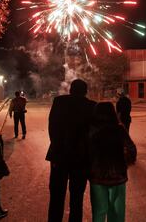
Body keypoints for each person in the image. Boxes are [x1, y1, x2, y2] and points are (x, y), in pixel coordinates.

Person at [46, 79, 97, 222]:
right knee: (76, 198)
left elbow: (52, 127)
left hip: (59, 156)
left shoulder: (59, 102)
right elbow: (93, 133)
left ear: (70, 90)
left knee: (56, 196)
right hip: (81, 158)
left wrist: (57, 146)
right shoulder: (92, 106)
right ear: (86, 91)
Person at [88, 102, 133, 222]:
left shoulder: (91, 130)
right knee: (117, 212)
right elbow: (132, 150)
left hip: (97, 176)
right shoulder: (119, 129)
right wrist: (124, 163)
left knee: (99, 211)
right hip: (118, 176)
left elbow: (86, 153)